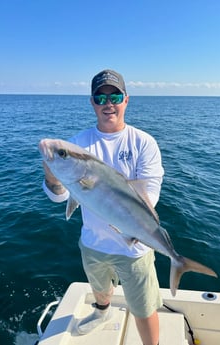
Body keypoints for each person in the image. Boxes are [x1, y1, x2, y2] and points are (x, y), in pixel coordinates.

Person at [42, 69, 164, 345]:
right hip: (93, 242)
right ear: (92, 102)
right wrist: (52, 176)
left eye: (115, 96)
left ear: (126, 100)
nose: (108, 102)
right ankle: (102, 313)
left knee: (143, 310)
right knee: (100, 290)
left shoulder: (143, 142)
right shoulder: (79, 143)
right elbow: (59, 198)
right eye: (100, 97)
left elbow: (150, 196)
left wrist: (123, 222)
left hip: (135, 246)